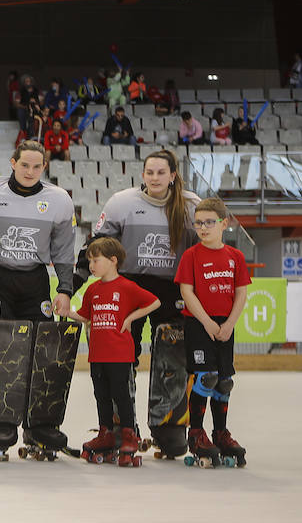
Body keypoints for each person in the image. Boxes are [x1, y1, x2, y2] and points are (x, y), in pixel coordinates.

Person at [0, 141, 77, 457]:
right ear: (13, 163)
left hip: (35, 280)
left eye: (36, 166)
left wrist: (65, 289)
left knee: (45, 353)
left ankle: (41, 425)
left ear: (44, 167)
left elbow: (65, 250)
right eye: (24, 164)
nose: (29, 171)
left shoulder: (59, 201)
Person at [84, 149, 199, 453]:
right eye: (150, 172)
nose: (155, 178)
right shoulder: (122, 202)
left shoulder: (190, 206)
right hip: (128, 288)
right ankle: (123, 426)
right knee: (122, 360)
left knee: (172, 361)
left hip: (173, 291)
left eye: (161, 172)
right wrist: (75, 283)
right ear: (143, 174)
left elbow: (203, 254)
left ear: (173, 175)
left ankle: (169, 425)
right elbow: (98, 244)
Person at [71, 237, 161, 467]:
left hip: (120, 355)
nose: (91, 266)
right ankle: (106, 433)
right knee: (101, 396)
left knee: (121, 397)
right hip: (97, 354)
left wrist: (130, 317)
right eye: (89, 261)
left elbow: (154, 302)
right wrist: (67, 311)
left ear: (113, 260)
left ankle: (130, 435)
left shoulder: (127, 287)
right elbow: (85, 315)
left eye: (96, 260)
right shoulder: (93, 289)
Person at [174, 197, 250, 467]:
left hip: (225, 324)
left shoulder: (235, 257)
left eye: (209, 222)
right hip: (199, 323)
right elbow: (186, 291)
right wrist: (206, 322)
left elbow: (241, 293)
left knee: (224, 380)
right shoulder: (191, 255)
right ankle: (196, 432)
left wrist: (229, 323)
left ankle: (220, 432)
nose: (203, 228)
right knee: (206, 377)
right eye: (198, 223)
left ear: (224, 223)